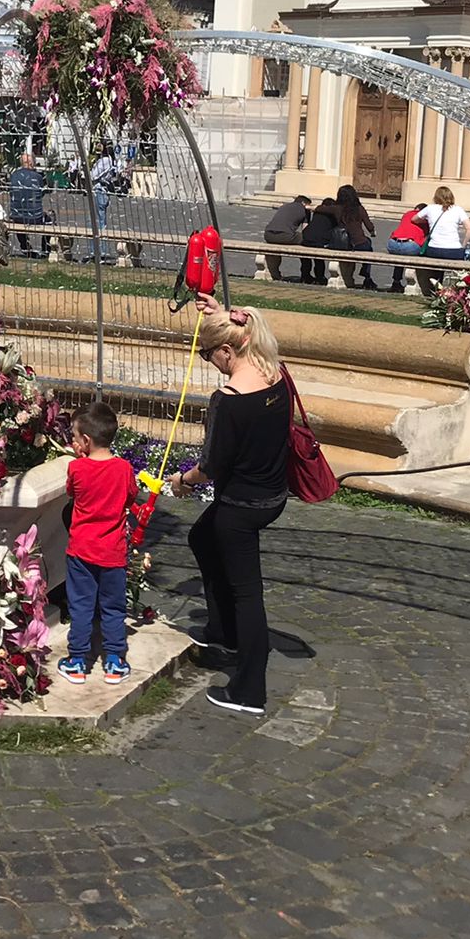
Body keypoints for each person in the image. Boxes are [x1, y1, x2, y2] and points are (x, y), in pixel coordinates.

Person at [177, 303, 290, 716]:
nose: (210, 362)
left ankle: (249, 691)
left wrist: (183, 481)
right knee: (200, 537)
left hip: (241, 506)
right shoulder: (277, 374)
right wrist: (220, 313)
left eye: (209, 355)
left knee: (248, 595)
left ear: (227, 350)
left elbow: (210, 468)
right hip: (273, 494)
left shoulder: (228, 400)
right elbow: (246, 325)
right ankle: (222, 631)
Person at [56, 401, 135, 687]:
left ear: (86, 441)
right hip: (113, 551)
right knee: (113, 607)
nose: (74, 441)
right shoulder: (124, 469)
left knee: (81, 605)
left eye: (75, 437)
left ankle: (77, 660)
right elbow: (130, 497)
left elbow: (71, 493)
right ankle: (114, 660)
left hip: (81, 550)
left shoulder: (77, 468)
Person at [7, 152, 52, 259]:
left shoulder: (14, 176)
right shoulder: (38, 177)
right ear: (32, 163)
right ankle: (45, 248)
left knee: (18, 217)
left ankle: (24, 246)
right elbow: (41, 193)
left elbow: (11, 193)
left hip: (17, 215)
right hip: (35, 217)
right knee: (50, 219)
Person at [333, 184, 379, 290]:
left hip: (344, 243)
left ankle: (354, 275)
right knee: (368, 246)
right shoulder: (359, 209)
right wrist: (372, 232)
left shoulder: (337, 208)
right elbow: (369, 226)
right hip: (360, 243)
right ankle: (366, 274)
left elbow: (320, 208)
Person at [260, 195, 310, 283]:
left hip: (268, 235)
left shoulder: (284, 206)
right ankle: (306, 275)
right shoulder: (305, 210)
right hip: (285, 236)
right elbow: (305, 230)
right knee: (307, 240)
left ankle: (275, 272)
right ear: (303, 203)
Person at [419, 185, 470, 263]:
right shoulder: (458, 209)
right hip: (453, 250)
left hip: (433, 249)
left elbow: (414, 219)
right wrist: (463, 246)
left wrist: (427, 221)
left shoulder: (430, 208)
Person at [384, 199, 429, 293]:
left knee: (400, 255)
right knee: (421, 251)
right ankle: (419, 283)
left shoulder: (407, 214)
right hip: (409, 245)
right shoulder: (424, 219)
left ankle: (396, 281)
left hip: (392, 244)